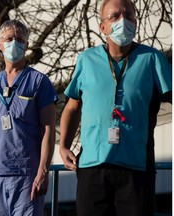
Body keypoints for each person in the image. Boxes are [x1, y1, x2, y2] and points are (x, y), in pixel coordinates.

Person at [59, 0, 172, 215]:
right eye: (115, 16)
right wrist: (63, 145)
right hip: (92, 166)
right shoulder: (87, 59)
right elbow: (72, 107)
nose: (123, 21)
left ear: (136, 23)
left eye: (128, 15)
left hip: (136, 167)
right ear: (102, 27)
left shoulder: (151, 58)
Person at [0, 19, 58, 216]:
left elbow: (48, 130)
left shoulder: (39, 82)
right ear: (0, 45)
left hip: (26, 175)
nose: (14, 43)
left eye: (19, 39)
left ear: (26, 45)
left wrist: (43, 171)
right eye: (9, 39)